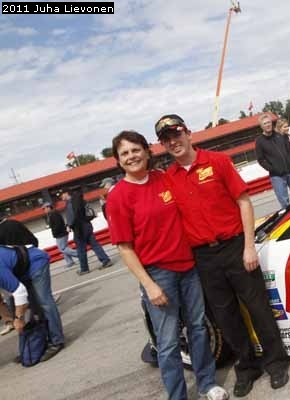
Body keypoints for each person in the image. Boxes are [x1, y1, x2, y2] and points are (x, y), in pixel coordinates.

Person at [155, 114, 290, 398]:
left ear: (188, 133)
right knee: (226, 317)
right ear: (163, 145)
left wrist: (249, 246)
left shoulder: (217, 161)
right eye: (166, 139)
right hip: (203, 257)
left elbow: (244, 202)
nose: (173, 142)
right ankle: (248, 366)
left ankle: (275, 362)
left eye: (176, 134)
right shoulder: (168, 179)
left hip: (234, 246)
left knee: (258, 307)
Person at [106, 130, 228, 400]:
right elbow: (125, 249)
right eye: (124, 153)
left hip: (188, 267)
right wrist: (149, 285)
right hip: (158, 274)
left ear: (146, 151)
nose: (131, 156)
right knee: (168, 341)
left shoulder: (163, 178)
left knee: (198, 328)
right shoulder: (118, 196)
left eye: (135, 150)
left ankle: (207, 384)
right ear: (118, 160)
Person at [0, 245, 65, 361]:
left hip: (36, 262)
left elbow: (19, 292)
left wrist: (19, 318)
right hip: (21, 269)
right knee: (28, 307)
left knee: (44, 302)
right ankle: (34, 345)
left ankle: (57, 341)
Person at [255, 114, 290, 208]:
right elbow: (261, 160)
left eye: (269, 122)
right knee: (285, 202)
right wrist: (273, 169)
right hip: (277, 176)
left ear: (271, 123)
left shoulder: (279, 135)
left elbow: (288, 150)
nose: (268, 125)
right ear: (261, 126)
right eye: (265, 123)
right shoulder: (259, 141)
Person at [63, 189, 112, 275]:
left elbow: (71, 218)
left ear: (67, 194)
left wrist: (68, 225)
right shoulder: (81, 200)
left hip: (79, 229)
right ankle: (105, 260)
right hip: (87, 225)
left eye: (62, 195)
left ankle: (84, 268)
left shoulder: (70, 204)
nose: (61, 197)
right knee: (95, 245)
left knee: (81, 249)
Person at [42, 202, 78, 268]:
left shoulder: (53, 214)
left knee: (63, 249)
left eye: (44, 208)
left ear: (48, 207)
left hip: (61, 234)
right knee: (63, 247)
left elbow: (57, 224)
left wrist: (55, 232)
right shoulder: (52, 213)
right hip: (60, 233)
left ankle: (79, 254)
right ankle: (70, 262)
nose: (44, 210)